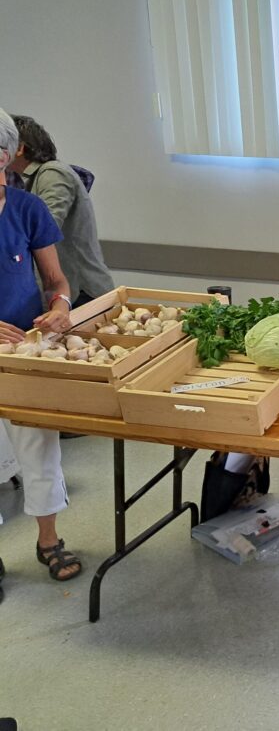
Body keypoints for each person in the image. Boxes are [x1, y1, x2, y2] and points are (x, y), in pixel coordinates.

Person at [0, 108, 83, 582]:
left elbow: (56, 279)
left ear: (8, 157)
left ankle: (48, 540)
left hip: (24, 351)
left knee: (38, 447)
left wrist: (62, 306)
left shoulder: (27, 209)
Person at [8, 114, 114, 307]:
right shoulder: (22, 181)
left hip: (80, 292)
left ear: (19, 148)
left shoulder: (53, 173)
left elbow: (45, 227)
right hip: (63, 293)